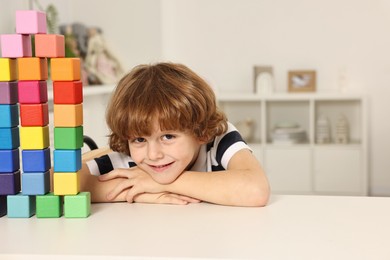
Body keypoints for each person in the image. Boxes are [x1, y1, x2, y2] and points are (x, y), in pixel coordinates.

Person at [80, 62, 270, 207]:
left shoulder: (220, 138)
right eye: (139, 139)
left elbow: (256, 189)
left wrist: (161, 184)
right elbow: (58, 182)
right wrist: (140, 192)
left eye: (168, 137)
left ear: (200, 131)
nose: (153, 155)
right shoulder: (131, 160)